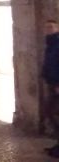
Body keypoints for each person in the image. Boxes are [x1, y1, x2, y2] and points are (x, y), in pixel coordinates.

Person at [43, 19, 59, 157]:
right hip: (52, 84)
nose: (49, 29)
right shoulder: (50, 43)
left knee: (53, 113)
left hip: (57, 85)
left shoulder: (57, 43)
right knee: (50, 112)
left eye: (52, 27)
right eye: (47, 27)